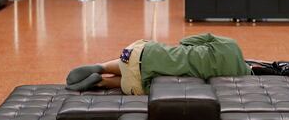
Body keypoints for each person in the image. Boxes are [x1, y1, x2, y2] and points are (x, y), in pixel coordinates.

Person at [66, 33, 251, 95]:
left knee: (139, 58)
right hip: (137, 84)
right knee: (145, 80)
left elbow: (185, 40)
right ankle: (102, 83)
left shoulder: (231, 45)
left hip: (138, 53)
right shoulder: (230, 81)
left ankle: (102, 67)